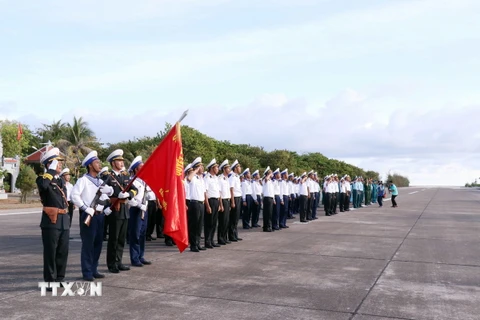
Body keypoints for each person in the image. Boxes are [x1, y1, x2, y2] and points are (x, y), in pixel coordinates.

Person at [71, 150, 113, 281]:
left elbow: (106, 196)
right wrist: (84, 207)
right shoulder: (83, 180)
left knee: (98, 244)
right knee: (88, 245)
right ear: (90, 165)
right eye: (96, 163)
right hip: (88, 215)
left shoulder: (100, 181)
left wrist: (107, 203)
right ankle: (87, 272)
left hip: (100, 216)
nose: (99, 165)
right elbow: (74, 196)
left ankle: (94, 269)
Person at [37, 147, 69, 291]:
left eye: (60, 163)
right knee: (51, 252)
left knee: (63, 251)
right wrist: (50, 171)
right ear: (49, 164)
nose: (60, 165)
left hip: (63, 220)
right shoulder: (43, 179)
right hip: (51, 220)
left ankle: (60, 278)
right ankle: (50, 280)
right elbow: (43, 186)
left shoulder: (60, 181)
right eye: (57, 162)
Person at [103, 149, 137, 274]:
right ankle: (112, 264)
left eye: (122, 161)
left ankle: (119, 261)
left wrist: (129, 194)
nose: (122, 163)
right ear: (113, 163)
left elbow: (134, 190)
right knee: (114, 238)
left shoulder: (125, 176)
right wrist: (112, 198)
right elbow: (102, 193)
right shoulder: (107, 176)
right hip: (114, 210)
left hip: (124, 210)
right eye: (119, 161)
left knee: (122, 239)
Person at [186, 157, 207, 252]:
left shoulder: (201, 179)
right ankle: (193, 245)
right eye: (201, 167)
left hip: (201, 203)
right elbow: (189, 178)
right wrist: (195, 170)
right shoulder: (193, 177)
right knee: (194, 225)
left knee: (199, 225)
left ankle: (198, 243)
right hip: (194, 204)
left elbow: (204, 192)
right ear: (197, 168)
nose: (202, 168)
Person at [204, 158, 221, 248]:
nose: (218, 169)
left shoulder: (216, 178)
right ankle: (207, 241)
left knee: (214, 222)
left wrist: (219, 203)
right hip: (210, 201)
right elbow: (205, 192)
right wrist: (207, 205)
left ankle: (212, 240)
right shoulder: (207, 178)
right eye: (216, 167)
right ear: (211, 168)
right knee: (209, 222)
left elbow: (218, 192)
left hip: (216, 201)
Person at [218, 160, 231, 244]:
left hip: (227, 200)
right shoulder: (220, 178)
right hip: (222, 200)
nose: (230, 169)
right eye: (228, 168)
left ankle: (225, 237)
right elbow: (219, 192)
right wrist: (221, 204)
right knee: (222, 221)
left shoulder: (227, 178)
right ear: (224, 169)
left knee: (226, 221)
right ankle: (220, 238)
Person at [59, 168, 75, 239]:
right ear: (62, 176)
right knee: (64, 218)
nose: (68, 177)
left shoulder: (71, 185)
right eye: (66, 175)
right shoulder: (61, 185)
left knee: (70, 218)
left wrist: (74, 203)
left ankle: (67, 233)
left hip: (70, 203)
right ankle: (62, 233)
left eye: (69, 175)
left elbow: (73, 195)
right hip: (64, 203)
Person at [262, 167, 275, 231]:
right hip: (267, 198)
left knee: (270, 213)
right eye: (271, 173)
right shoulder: (265, 179)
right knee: (267, 213)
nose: (273, 174)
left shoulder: (271, 181)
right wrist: (269, 174)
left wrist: (274, 199)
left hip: (270, 198)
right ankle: (266, 227)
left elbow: (272, 191)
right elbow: (266, 178)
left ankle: (269, 226)